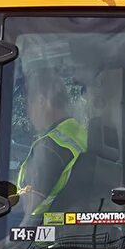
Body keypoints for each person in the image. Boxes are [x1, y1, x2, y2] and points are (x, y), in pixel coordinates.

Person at [15, 70, 88, 219]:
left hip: (45, 238)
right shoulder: (80, 134)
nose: (28, 112)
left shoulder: (49, 148)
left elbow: (29, 206)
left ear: (42, 102)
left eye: (28, 103)